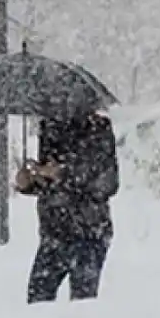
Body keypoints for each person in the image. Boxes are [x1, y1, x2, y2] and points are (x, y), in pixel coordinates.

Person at [16, 109, 119, 302]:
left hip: (89, 230)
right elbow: (49, 183)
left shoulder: (98, 128)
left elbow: (107, 182)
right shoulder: (49, 126)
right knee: (37, 297)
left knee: (83, 300)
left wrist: (62, 173)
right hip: (54, 231)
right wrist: (30, 182)